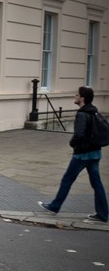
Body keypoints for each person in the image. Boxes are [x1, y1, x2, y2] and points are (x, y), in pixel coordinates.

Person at [38, 86, 108, 223]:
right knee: (97, 184)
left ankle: (54, 206)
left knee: (67, 179)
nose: (74, 97)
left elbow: (79, 134)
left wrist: (72, 144)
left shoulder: (82, 114)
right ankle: (103, 214)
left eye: (77, 95)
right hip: (95, 153)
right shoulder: (94, 111)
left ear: (82, 98)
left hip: (82, 154)